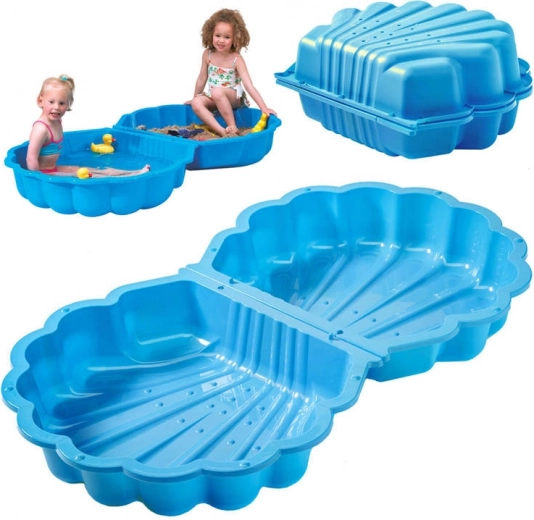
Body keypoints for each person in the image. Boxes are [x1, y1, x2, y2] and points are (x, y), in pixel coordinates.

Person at [26, 75, 150, 177]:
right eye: (51, 102)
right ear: (40, 101)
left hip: (53, 168)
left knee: (94, 170)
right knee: (89, 175)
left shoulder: (57, 122)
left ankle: (134, 173)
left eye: (62, 103)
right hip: (44, 174)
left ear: (68, 105)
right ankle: (133, 176)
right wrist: (38, 180)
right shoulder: (41, 129)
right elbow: (31, 159)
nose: (56, 107)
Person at [186, 8, 276, 137]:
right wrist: (195, 97)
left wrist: (263, 107)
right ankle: (221, 131)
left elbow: (249, 85)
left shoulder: (236, 59)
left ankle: (232, 126)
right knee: (197, 102)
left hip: (234, 97)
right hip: (214, 95)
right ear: (211, 34)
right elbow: (202, 78)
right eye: (217, 35)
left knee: (217, 92)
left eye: (227, 37)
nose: (221, 40)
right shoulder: (208, 54)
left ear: (235, 38)